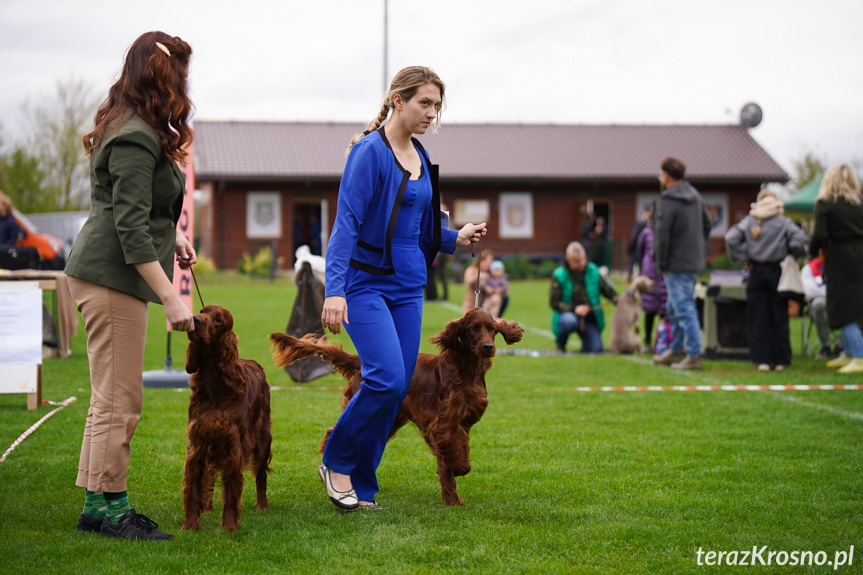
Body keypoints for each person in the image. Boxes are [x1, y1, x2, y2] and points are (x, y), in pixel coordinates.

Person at [319, 66, 486, 511]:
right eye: (424, 103)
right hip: (364, 284)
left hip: (410, 288)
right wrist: (335, 289)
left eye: (436, 105)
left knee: (395, 390)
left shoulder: (421, 156)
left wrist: (456, 237)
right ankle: (335, 460)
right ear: (398, 100)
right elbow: (346, 225)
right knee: (387, 377)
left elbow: (421, 226)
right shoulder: (368, 153)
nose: (431, 113)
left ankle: (361, 483)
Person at [64, 32, 197, 540]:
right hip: (111, 277)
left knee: (107, 399)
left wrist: (176, 233)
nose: (184, 83)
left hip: (105, 273)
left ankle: (96, 507)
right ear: (158, 73)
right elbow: (129, 228)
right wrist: (170, 296)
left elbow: (139, 210)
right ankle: (115, 512)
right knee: (122, 402)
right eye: (179, 71)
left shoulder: (132, 125)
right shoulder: (136, 134)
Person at [724, 189, 807, 371]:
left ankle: (762, 359)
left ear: (759, 202)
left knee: (758, 317)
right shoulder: (783, 222)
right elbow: (800, 239)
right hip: (778, 272)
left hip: (756, 272)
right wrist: (791, 253)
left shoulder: (750, 221)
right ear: (776, 202)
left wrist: (744, 259)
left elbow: (731, 238)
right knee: (779, 316)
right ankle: (781, 360)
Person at [652, 157, 711, 370]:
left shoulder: (667, 201)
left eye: (660, 174)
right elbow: (707, 224)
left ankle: (693, 354)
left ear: (666, 176)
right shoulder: (695, 196)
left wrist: (662, 263)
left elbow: (662, 236)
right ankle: (676, 350)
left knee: (684, 307)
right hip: (694, 261)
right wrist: (695, 249)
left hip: (675, 264)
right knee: (673, 305)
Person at [808, 164, 863, 374]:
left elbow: (819, 235)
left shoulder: (825, 203)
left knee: (843, 308)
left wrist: (811, 253)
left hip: (839, 258)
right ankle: (848, 353)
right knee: (854, 306)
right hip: (859, 256)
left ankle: (859, 355)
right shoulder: (859, 204)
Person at [550, 241, 618, 353]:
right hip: (569, 315)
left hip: (589, 319)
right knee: (568, 321)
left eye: (583, 259)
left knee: (596, 349)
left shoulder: (594, 271)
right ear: (568, 260)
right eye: (577, 261)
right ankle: (560, 344)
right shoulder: (559, 275)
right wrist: (574, 309)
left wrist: (623, 300)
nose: (582, 263)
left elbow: (608, 291)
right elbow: (554, 302)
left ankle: (587, 344)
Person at [634, 203, 667, 353]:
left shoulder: (667, 233)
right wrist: (643, 269)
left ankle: (662, 340)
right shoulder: (646, 233)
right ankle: (647, 341)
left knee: (664, 310)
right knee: (649, 310)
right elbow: (639, 251)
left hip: (664, 274)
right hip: (650, 275)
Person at [801, 253, 832, 359]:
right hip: (820, 302)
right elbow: (810, 292)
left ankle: (843, 346)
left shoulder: (840, 264)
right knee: (819, 304)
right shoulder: (808, 268)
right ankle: (826, 345)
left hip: (840, 301)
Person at [462, 249, 494, 314]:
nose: (488, 263)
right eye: (486, 260)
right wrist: (478, 276)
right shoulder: (472, 269)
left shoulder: (492, 273)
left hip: (486, 305)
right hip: (471, 304)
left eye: (491, 260)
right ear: (480, 260)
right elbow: (468, 282)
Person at [627, 206, 650, 282]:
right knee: (640, 265)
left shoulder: (640, 224)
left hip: (638, 248)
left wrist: (631, 247)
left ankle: (630, 278)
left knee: (634, 263)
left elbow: (634, 236)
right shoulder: (646, 225)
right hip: (642, 248)